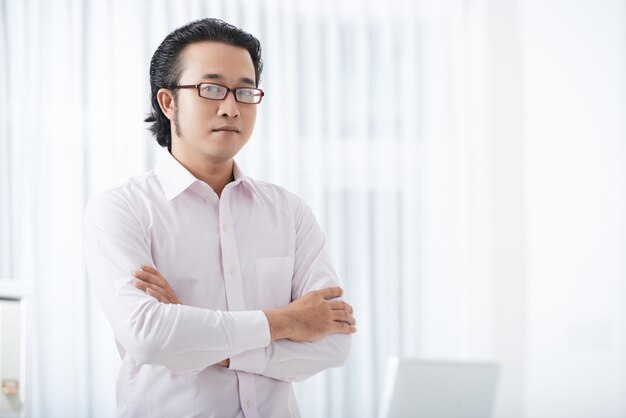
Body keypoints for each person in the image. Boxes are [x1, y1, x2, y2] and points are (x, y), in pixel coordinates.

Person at [83, 18, 356, 418]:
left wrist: (206, 344)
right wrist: (287, 321)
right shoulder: (121, 209)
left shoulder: (289, 212)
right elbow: (150, 336)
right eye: (211, 89)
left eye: (245, 91)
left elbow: (332, 344)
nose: (231, 107)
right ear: (168, 101)